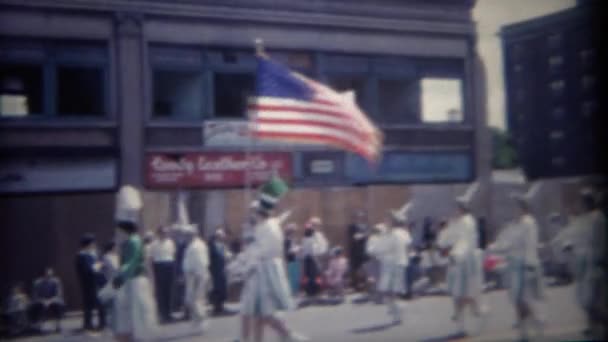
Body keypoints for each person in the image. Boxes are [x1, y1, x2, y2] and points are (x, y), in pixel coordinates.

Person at [237, 176, 307, 342]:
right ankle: (280, 336)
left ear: (260, 213)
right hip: (262, 271)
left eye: (254, 212)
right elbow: (281, 217)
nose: (252, 215)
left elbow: (258, 253)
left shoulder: (265, 228)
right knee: (255, 312)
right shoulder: (268, 225)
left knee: (262, 313)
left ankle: (286, 335)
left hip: (263, 272)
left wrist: (242, 267)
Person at [488, 193, 544, 342]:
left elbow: (529, 244)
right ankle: (529, 328)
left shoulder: (528, 222)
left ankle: (531, 327)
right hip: (513, 265)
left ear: (522, 206)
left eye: (515, 206)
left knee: (521, 300)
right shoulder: (513, 224)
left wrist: (530, 264)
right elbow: (503, 242)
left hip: (524, 264)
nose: (512, 209)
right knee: (516, 300)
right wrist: (493, 248)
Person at [437, 190, 486, 335]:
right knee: (458, 293)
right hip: (457, 260)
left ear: (464, 208)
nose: (456, 209)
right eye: (456, 206)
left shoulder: (468, 222)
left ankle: (471, 311)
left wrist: (455, 253)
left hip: (465, 261)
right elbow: (447, 238)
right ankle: (464, 319)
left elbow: (465, 242)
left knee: (464, 292)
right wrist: (442, 241)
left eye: (459, 206)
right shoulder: (457, 222)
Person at [111, 220, 157, 342]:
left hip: (136, 279)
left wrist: (121, 276)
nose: (118, 233)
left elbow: (132, 262)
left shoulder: (134, 241)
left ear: (124, 230)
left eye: (119, 231)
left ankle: (140, 336)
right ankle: (134, 335)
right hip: (131, 279)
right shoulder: (129, 241)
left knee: (138, 309)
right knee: (133, 309)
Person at [572, 188, 606, 338]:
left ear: (588, 202)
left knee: (592, 301)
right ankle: (592, 326)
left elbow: (599, 242)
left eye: (583, 201)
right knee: (587, 300)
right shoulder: (587, 218)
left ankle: (598, 325)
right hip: (587, 264)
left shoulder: (597, 218)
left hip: (596, 264)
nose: (581, 205)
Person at [375, 202, 413, 324]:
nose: (386, 221)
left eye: (388, 219)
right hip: (389, 264)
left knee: (395, 291)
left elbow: (406, 247)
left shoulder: (399, 233)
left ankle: (398, 313)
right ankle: (396, 310)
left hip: (397, 264)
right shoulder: (387, 233)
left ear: (393, 220)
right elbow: (380, 248)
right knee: (386, 290)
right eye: (386, 218)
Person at [182, 224, 210, 334]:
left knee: (196, 300)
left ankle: (202, 320)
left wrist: (198, 276)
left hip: (196, 275)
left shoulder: (197, 246)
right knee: (190, 299)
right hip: (190, 275)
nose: (186, 236)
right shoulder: (191, 245)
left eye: (188, 234)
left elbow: (201, 262)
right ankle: (196, 321)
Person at [75, 233, 105, 333]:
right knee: (89, 304)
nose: (94, 244)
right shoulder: (81, 255)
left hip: (97, 281)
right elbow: (88, 270)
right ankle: (88, 324)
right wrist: (98, 265)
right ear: (88, 244)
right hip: (88, 283)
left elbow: (99, 266)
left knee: (99, 302)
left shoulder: (94, 254)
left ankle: (101, 323)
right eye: (92, 243)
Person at [149, 227, 176, 323]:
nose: (164, 235)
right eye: (162, 233)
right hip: (159, 266)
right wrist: (152, 271)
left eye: (165, 233)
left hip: (169, 265)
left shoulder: (170, 242)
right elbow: (151, 258)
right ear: (158, 234)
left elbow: (173, 255)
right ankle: (162, 313)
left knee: (169, 290)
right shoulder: (154, 244)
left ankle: (169, 313)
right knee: (161, 291)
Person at [29, 268, 65, 333]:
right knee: (35, 306)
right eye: (47, 275)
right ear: (43, 275)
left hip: (53, 300)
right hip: (41, 300)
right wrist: (43, 301)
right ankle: (38, 326)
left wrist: (50, 301)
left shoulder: (56, 281)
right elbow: (35, 295)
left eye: (50, 275)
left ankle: (58, 325)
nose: (49, 277)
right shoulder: (37, 282)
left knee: (59, 304)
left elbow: (58, 294)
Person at [300, 217, 328, 301]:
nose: (314, 226)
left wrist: (318, 252)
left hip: (315, 257)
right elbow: (305, 245)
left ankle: (318, 290)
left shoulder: (319, 235)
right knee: (307, 275)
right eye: (313, 225)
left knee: (317, 275)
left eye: (316, 225)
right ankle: (308, 291)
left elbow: (323, 246)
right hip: (307, 258)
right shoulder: (307, 234)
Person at [209, 227, 231, 316]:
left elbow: (225, 256)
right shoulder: (212, 246)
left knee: (223, 289)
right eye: (221, 236)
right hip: (215, 271)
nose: (223, 238)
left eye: (223, 236)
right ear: (217, 236)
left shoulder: (223, 246)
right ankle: (216, 307)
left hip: (222, 270)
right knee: (216, 289)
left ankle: (221, 306)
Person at [347, 210, 370, 291]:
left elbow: (368, 237)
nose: (360, 218)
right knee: (355, 269)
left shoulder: (366, 226)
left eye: (362, 217)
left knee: (364, 268)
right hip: (355, 251)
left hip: (364, 251)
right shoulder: (352, 226)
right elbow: (354, 238)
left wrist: (363, 236)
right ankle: (355, 285)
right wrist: (364, 235)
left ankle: (364, 285)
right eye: (358, 217)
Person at [284, 223, 301, 296]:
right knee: (292, 277)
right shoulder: (287, 240)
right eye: (293, 232)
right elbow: (288, 251)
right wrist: (296, 249)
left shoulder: (292, 240)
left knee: (296, 276)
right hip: (291, 260)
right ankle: (292, 291)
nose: (294, 233)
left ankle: (295, 291)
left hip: (295, 259)